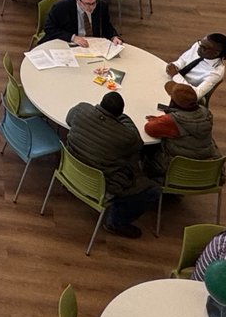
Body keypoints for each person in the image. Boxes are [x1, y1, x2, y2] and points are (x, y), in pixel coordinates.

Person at [64, 92, 159, 237]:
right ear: (120, 113)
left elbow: (69, 119)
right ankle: (116, 223)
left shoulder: (81, 110)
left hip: (72, 169)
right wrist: (123, 117)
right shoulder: (125, 136)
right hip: (102, 185)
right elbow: (138, 144)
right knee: (152, 190)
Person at [142, 81, 220, 181]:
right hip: (206, 164)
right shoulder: (205, 112)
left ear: (173, 103)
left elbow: (149, 128)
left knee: (144, 150)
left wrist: (161, 120)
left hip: (179, 168)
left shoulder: (174, 120)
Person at [44, 0, 122, 46]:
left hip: (93, 44)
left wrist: (114, 37)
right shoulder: (62, 7)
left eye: (93, 3)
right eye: (88, 4)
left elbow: (106, 26)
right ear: (77, 0)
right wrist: (73, 37)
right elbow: (49, 28)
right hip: (70, 43)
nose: (91, 7)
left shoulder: (101, 6)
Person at [166, 34, 226, 99]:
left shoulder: (216, 72)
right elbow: (183, 60)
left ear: (216, 53)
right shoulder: (199, 45)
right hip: (172, 80)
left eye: (204, 48)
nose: (199, 47)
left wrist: (175, 75)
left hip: (184, 94)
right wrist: (176, 66)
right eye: (201, 43)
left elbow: (196, 94)